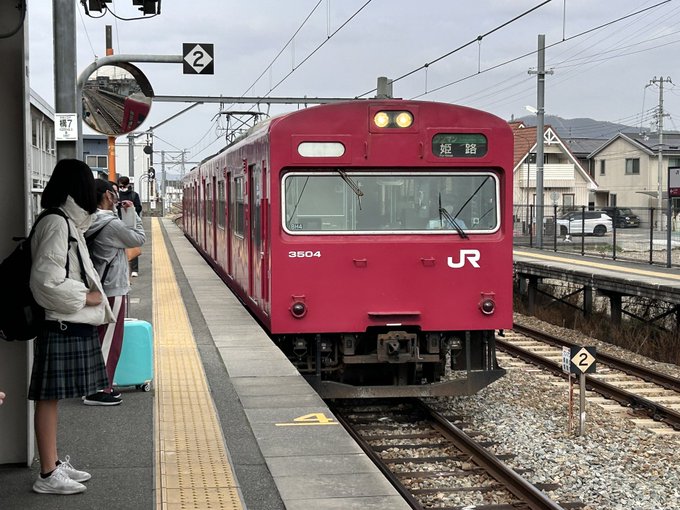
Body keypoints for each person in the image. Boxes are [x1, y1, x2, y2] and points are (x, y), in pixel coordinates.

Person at [28, 159, 115, 495]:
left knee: (51, 398)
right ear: (78, 186)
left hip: (65, 320)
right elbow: (46, 282)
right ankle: (47, 474)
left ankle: (52, 463)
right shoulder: (57, 223)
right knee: (48, 397)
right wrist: (86, 297)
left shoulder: (65, 220)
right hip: (60, 320)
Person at [83, 179, 145, 406]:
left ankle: (98, 385)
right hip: (112, 287)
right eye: (114, 193)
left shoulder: (90, 219)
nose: (117, 196)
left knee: (101, 337)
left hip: (99, 285)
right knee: (109, 340)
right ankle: (99, 389)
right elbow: (138, 239)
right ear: (108, 196)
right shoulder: (111, 224)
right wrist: (133, 214)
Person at [117, 176, 142, 277]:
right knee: (120, 246)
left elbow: (139, 208)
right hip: (118, 222)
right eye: (120, 186)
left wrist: (131, 208)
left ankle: (134, 269)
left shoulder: (134, 195)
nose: (122, 188)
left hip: (131, 222)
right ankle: (122, 268)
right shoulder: (117, 195)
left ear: (128, 185)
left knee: (132, 244)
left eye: (123, 186)